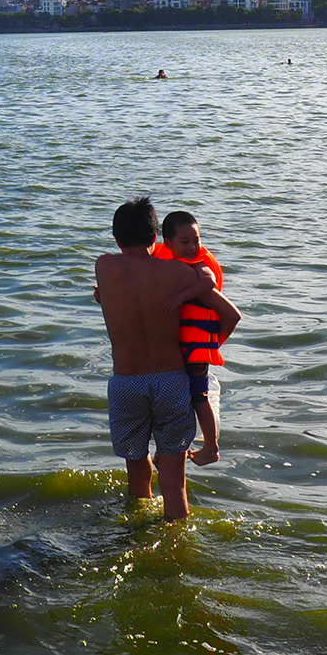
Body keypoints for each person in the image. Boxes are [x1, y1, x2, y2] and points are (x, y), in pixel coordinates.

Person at [95, 197, 240, 519]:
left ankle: (138, 531)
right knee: (175, 482)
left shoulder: (104, 267)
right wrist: (209, 347)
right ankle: (177, 544)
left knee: (136, 466)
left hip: (127, 383)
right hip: (172, 380)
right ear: (155, 238)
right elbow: (230, 314)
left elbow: (108, 292)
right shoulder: (178, 273)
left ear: (117, 239)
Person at [153, 211, 234, 465]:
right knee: (177, 399)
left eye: (196, 241)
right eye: (185, 242)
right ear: (168, 243)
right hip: (180, 348)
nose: (193, 247)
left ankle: (211, 447)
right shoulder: (164, 260)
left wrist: (180, 297)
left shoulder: (199, 265)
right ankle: (170, 448)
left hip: (196, 349)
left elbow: (209, 282)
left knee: (200, 397)